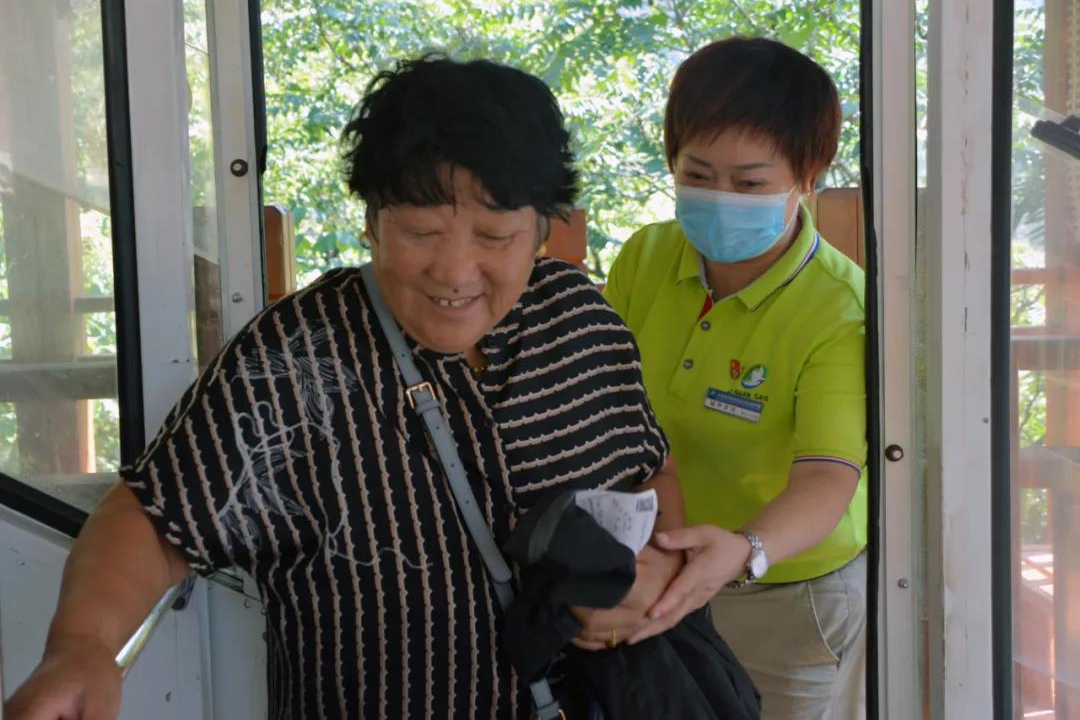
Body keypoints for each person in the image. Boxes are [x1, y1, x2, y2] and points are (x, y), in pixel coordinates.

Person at [5, 55, 687, 720]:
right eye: (421, 231)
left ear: (540, 229)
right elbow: (155, 519)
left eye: (494, 236)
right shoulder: (295, 358)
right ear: (370, 222)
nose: (455, 272)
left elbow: (651, 472)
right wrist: (81, 646)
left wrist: (656, 568)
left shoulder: (579, 321)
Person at [597, 37, 867, 719]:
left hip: (786, 591)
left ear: (808, 175)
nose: (719, 199)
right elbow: (604, 404)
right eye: (698, 173)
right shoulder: (646, 256)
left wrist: (748, 550)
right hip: (655, 565)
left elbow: (827, 476)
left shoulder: (840, 307)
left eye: (749, 184)